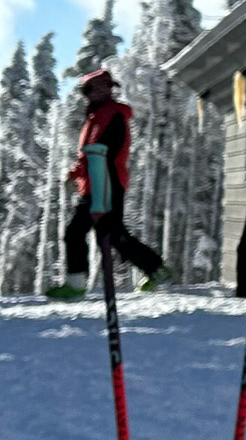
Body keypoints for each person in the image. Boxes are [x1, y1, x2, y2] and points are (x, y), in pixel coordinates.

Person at [44, 69, 165, 299]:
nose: (90, 94)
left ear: (107, 89)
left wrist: (83, 175)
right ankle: (156, 269)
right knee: (109, 234)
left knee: (79, 232)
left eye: (94, 89)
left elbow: (104, 152)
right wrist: (76, 175)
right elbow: (91, 154)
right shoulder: (97, 116)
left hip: (105, 183)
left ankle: (76, 284)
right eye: (87, 90)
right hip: (96, 183)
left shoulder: (112, 114)